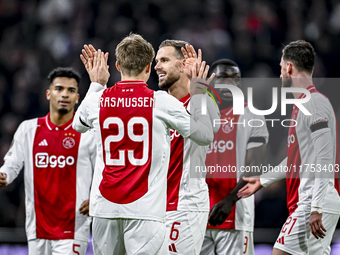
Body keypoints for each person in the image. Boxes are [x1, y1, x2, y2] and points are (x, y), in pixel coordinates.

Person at [73, 33, 215, 255]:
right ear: (148, 67)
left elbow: (77, 124)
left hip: (106, 206)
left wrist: (96, 85)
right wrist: (200, 90)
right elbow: (205, 135)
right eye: (157, 61)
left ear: (117, 65)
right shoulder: (160, 101)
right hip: (145, 208)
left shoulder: (98, 101)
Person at [238, 40, 340, 255]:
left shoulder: (315, 104)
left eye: (281, 68)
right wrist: (263, 180)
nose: (280, 75)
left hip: (313, 202)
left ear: (290, 68)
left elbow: (325, 158)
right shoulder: (304, 106)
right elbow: (298, 159)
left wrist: (316, 208)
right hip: (313, 201)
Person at [0, 67, 98, 255]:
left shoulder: (88, 134)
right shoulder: (28, 129)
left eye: (71, 90)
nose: (65, 94)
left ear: (77, 98)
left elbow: (104, 170)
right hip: (37, 228)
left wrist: (96, 197)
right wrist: (4, 175)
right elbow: (11, 164)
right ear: (48, 94)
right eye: (59, 88)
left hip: (74, 227)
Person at [154, 40, 220, 255]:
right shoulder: (158, 104)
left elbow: (209, 132)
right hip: (154, 207)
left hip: (185, 205)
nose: (157, 66)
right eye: (156, 61)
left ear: (182, 66)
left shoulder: (201, 102)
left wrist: (199, 88)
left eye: (164, 60)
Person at [198, 59, 268, 255]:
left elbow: (255, 166)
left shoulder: (252, 115)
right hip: (197, 215)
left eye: (235, 79)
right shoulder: (195, 113)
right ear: (211, 81)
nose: (230, 84)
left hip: (235, 215)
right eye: (223, 78)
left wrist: (230, 200)